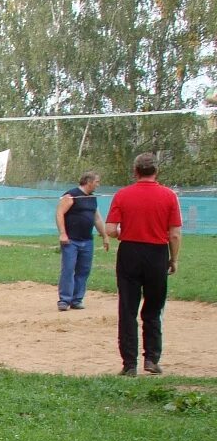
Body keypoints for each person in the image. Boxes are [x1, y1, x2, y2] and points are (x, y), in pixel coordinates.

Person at [106, 152, 182, 376]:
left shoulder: (123, 194)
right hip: (157, 254)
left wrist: (125, 232)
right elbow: (175, 234)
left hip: (130, 251)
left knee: (128, 309)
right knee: (153, 309)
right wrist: (173, 258)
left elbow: (110, 229)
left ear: (135, 171)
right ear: (156, 171)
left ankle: (129, 364)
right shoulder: (169, 196)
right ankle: (151, 359)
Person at [55, 171, 110, 311]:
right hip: (71, 240)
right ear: (88, 181)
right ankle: (64, 300)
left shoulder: (92, 198)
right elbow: (59, 213)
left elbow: (97, 218)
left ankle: (77, 299)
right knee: (68, 269)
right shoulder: (71, 195)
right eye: (97, 181)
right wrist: (63, 234)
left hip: (87, 241)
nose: (98, 184)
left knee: (84, 270)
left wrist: (104, 235)